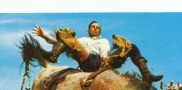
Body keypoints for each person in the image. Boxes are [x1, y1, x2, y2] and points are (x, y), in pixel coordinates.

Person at [32, 21, 163, 84]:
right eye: (93, 27)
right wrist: (43, 34)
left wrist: (111, 60)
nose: (95, 29)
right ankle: (53, 56)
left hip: (103, 61)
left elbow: (106, 54)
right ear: (89, 29)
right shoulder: (83, 40)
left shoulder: (104, 41)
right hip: (88, 61)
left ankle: (146, 74)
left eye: (98, 27)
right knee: (67, 37)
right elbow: (59, 40)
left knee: (131, 46)